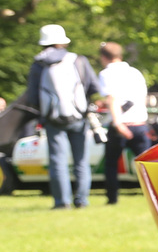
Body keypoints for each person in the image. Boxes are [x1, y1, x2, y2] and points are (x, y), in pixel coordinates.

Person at [23, 23, 102, 208]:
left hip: (52, 118)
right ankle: (82, 200)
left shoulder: (39, 64)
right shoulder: (78, 60)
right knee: (81, 160)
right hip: (79, 116)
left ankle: (61, 202)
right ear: (63, 41)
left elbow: (32, 96)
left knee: (57, 160)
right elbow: (94, 87)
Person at [96, 42, 152, 205]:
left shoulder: (106, 74)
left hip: (121, 125)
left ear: (104, 57)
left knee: (111, 164)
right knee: (146, 165)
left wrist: (118, 123)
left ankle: (112, 199)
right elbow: (138, 98)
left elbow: (113, 98)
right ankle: (154, 195)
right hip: (140, 123)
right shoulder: (135, 72)